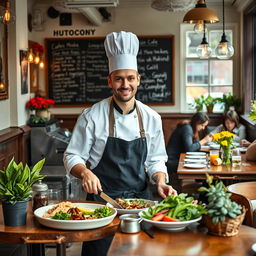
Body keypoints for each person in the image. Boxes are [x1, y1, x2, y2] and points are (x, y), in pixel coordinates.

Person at [64, 31, 177, 256]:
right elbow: (72, 156)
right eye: (119, 78)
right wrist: (85, 173)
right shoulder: (92, 116)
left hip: (140, 204)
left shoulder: (152, 117)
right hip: (101, 204)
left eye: (130, 78)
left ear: (138, 79)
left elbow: (156, 160)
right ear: (110, 81)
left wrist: (161, 181)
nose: (125, 84)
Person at [166, 112, 212, 191]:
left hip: (179, 159)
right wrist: (204, 140)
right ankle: (200, 193)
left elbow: (194, 146)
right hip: (171, 161)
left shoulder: (191, 128)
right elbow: (190, 149)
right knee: (203, 169)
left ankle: (201, 191)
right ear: (197, 123)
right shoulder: (187, 128)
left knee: (203, 166)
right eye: (202, 125)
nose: (203, 128)